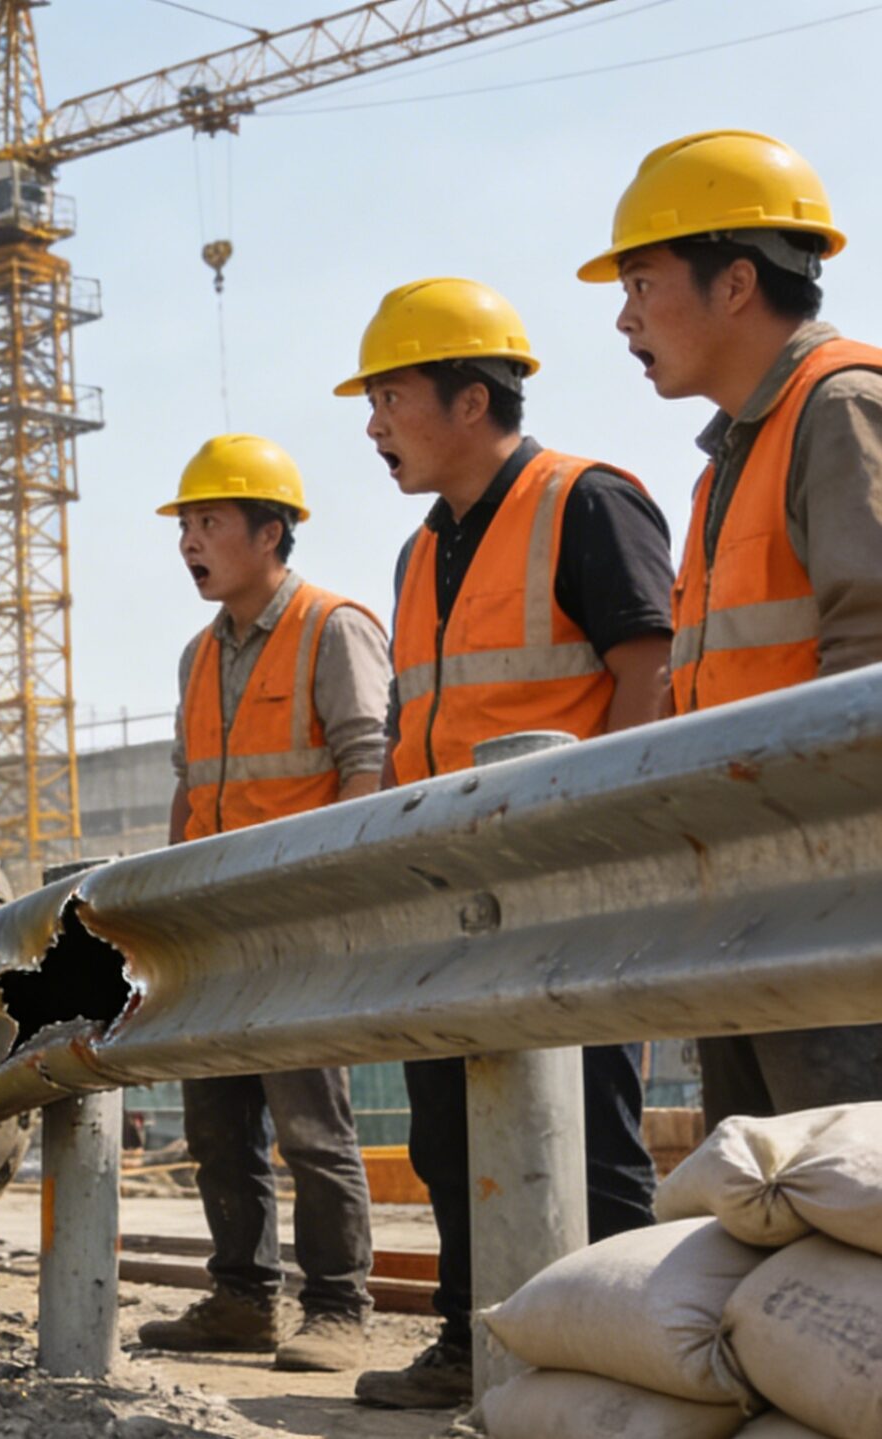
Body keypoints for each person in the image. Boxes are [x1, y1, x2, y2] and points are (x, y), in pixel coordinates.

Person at [337, 279, 668, 1409]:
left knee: (590, 1130)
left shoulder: (587, 502)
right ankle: (475, 1340)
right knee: (445, 1130)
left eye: (390, 396)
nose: (372, 425)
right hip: (449, 891)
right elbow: (412, 724)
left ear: (470, 398)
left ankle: (612, 1350)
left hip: (562, 879)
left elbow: (646, 675)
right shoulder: (418, 551)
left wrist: (599, 839)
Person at [583, 129, 882, 1125]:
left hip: (836, 902)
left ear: (736, 282)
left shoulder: (838, 408)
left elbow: (869, 666)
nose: (624, 317)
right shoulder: (727, 462)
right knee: (778, 1209)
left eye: (639, 283)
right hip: (755, 899)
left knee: (848, 1198)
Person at [139, 435, 386, 1375]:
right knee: (216, 1125)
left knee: (310, 1126)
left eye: (208, 523)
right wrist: (168, 903)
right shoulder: (199, 656)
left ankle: (338, 1307)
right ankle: (242, 1299)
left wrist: (338, 896)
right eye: (186, 526)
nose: (189, 542)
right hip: (213, 930)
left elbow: (367, 761)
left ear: (270, 530)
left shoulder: (334, 628)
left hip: (299, 924)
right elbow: (191, 787)